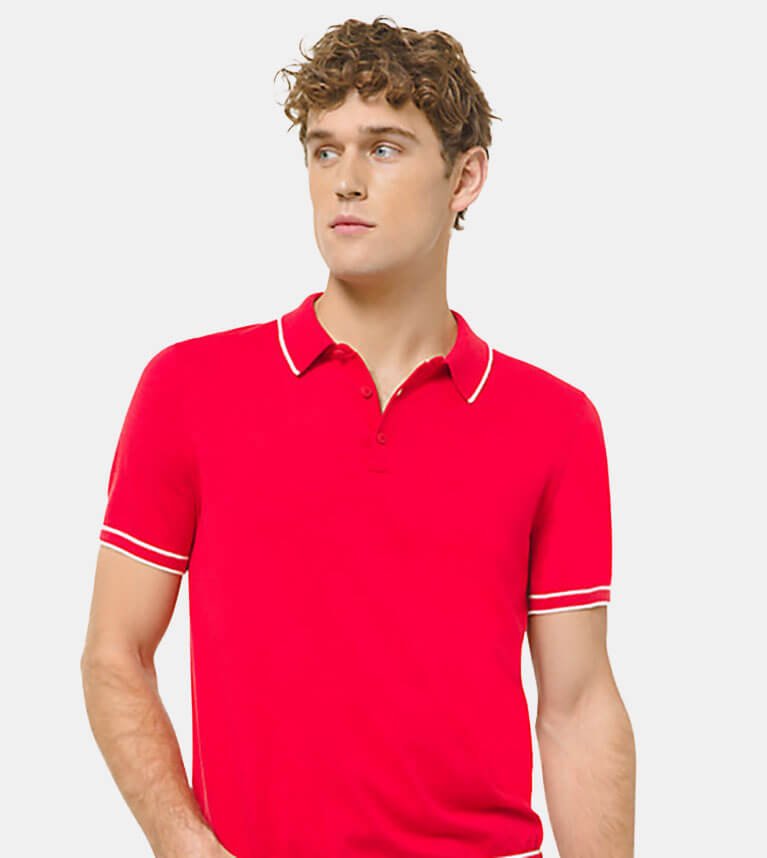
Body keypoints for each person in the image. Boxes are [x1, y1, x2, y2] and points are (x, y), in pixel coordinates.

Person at [81, 15, 635, 858]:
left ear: (464, 177)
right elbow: (114, 653)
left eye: (382, 148)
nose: (344, 181)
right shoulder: (188, 390)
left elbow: (578, 704)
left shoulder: (553, 423)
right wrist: (186, 844)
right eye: (323, 150)